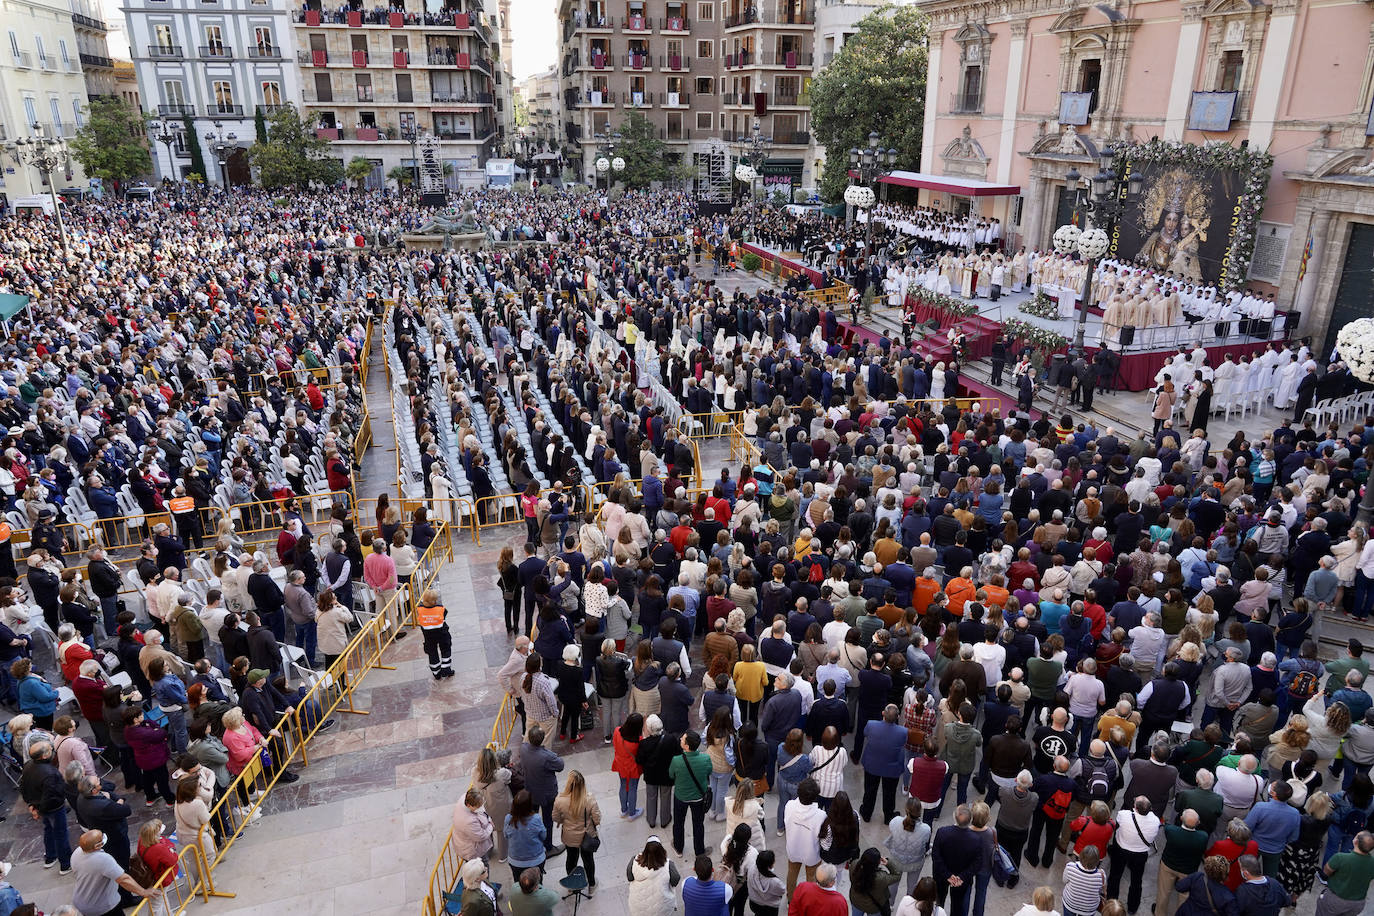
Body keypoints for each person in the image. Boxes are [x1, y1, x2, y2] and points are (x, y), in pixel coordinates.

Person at [71, 829, 155, 916]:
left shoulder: (77, 853)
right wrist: (143, 892)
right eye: (101, 838)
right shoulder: (103, 859)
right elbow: (124, 879)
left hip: (81, 903)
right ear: (97, 846)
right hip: (103, 907)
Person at [20, 738, 71, 873]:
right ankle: (65, 864)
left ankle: (50, 857)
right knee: (60, 834)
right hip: (53, 808)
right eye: (50, 750)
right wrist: (39, 809)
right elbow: (52, 796)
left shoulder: (28, 766)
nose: (52, 751)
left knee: (48, 830)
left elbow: (23, 787)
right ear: (44, 755)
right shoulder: (50, 773)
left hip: (40, 806)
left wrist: (32, 805)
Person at [1105, 797, 1161, 913]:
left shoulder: (1123, 815)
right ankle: (1132, 907)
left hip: (1121, 851)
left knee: (1115, 876)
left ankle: (1111, 902)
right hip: (1140, 855)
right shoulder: (1156, 821)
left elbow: (1118, 824)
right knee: (1136, 881)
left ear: (1135, 807)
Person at [553, 769, 601, 897]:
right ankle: (591, 884)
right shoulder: (589, 799)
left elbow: (555, 818)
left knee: (571, 859)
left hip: (569, 837)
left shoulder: (560, 800)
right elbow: (597, 819)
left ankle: (571, 886)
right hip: (586, 836)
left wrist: (566, 820)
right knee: (588, 860)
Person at [670, 729, 713, 859]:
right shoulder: (705, 758)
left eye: (682, 739)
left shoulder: (676, 760)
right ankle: (699, 852)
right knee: (698, 824)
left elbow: (671, 775)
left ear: (687, 746)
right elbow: (709, 772)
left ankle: (678, 848)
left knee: (678, 823)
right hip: (699, 798)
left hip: (681, 797)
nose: (680, 740)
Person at [783, 778, 827, 896]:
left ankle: (790, 899)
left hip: (793, 849)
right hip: (811, 853)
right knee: (812, 878)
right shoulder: (821, 815)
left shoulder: (789, 805)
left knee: (792, 874)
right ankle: (809, 900)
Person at [627, 836, 682, 916]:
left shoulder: (634, 861)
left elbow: (630, 877)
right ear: (661, 851)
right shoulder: (668, 865)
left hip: (638, 908)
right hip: (662, 909)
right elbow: (675, 880)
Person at [504, 789, 548, 883]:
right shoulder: (536, 819)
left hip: (515, 861)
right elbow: (543, 836)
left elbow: (505, 835)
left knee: (518, 883)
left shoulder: (508, 819)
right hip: (535, 860)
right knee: (537, 883)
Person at [1175, 855, 1239, 916]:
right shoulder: (1227, 896)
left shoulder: (1197, 877)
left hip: (1187, 912)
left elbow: (1179, 887)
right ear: (1224, 874)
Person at [415, 588, 454, 680]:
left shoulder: (419, 609)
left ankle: (436, 672)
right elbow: (445, 614)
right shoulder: (441, 609)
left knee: (432, 653)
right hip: (442, 634)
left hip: (428, 636)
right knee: (446, 650)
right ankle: (446, 670)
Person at [850, 846, 901, 916]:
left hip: (856, 902)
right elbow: (897, 875)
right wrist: (888, 863)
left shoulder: (854, 865)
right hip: (873, 908)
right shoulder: (881, 878)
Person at [451, 787, 496, 865]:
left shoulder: (464, 797)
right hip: (473, 851)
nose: (481, 808)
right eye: (478, 806)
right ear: (469, 805)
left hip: (464, 843)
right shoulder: (469, 821)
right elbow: (481, 836)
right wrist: (490, 826)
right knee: (482, 868)